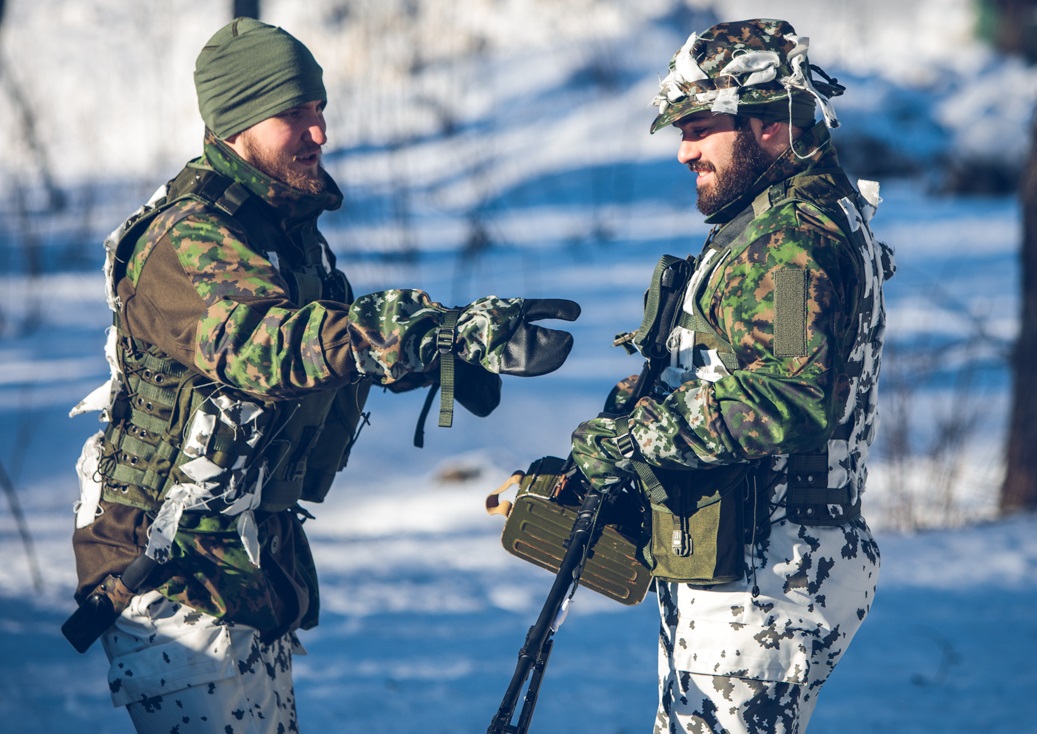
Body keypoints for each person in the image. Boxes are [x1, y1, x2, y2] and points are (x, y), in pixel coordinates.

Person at [66, 17, 578, 734]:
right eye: (293, 114)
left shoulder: (278, 232)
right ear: (237, 122)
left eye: (320, 109)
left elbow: (329, 345)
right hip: (170, 572)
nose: (319, 132)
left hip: (251, 565)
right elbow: (264, 348)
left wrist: (438, 357)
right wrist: (421, 331)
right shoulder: (188, 237)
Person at [569, 18, 895, 734]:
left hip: (766, 578)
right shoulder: (787, 223)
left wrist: (638, 440)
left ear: (769, 125)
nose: (684, 151)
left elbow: (785, 394)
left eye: (698, 127)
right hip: (749, 562)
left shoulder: (789, 243)